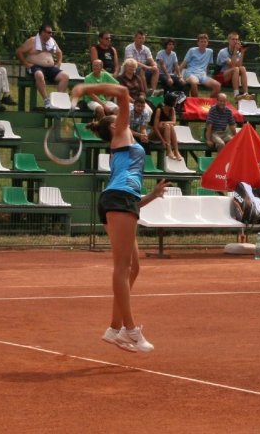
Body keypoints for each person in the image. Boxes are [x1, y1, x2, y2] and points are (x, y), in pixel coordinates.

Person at [69, 81, 169, 354]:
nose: (121, 115)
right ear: (116, 125)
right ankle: (131, 330)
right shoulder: (121, 134)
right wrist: (84, 89)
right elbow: (124, 93)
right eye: (118, 116)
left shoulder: (124, 143)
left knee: (133, 268)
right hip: (118, 200)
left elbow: (132, 201)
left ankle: (114, 329)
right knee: (122, 268)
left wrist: (154, 195)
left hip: (120, 201)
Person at [17, 23, 68, 101]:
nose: (51, 34)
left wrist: (58, 64)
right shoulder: (32, 40)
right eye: (49, 32)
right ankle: (46, 100)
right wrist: (26, 64)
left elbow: (59, 53)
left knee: (65, 76)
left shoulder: (52, 41)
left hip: (50, 68)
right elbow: (19, 51)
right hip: (36, 67)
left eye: (51, 32)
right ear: (42, 32)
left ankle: (58, 101)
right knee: (39, 74)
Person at [179, 33, 220, 97]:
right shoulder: (192, 50)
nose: (203, 43)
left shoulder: (210, 51)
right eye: (201, 42)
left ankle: (209, 104)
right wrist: (180, 76)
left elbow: (207, 65)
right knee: (194, 82)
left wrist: (208, 75)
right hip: (190, 73)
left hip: (202, 75)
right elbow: (183, 64)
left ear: (207, 43)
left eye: (205, 42)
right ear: (198, 43)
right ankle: (195, 103)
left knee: (217, 85)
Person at [214, 32, 248, 99]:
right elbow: (233, 65)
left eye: (236, 39)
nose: (235, 41)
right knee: (235, 69)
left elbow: (239, 65)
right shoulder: (223, 52)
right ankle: (236, 94)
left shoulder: (238, 52)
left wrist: (242, 52)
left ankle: (246, 93)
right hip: (220, 76)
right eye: (233, 39)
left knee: (242, 68)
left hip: (232, 76)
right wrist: (235, 51)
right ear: (228, 40)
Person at [151, 93, 182, 161]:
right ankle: (169, 150)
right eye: (175, 101)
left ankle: (176, 151)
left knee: (169, 126)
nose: (176, 102)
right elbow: (155, 128)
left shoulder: (172, 109)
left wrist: (164, 122)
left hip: (166, 132)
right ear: (171, 101)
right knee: (168, 126)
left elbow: (174, 122)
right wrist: (162, 140)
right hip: (155, 134)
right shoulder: (159, 110)